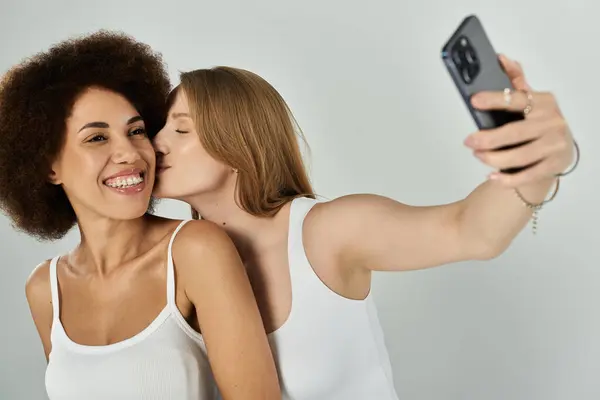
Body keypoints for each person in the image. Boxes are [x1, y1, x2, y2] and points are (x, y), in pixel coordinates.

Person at [152, 60, 577, 400]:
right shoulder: (177, 265)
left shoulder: (326, 232)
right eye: (160, 128)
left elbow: (470, 231)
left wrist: (536, 159)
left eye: (181, 129)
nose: (157, 143)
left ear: (238, 144)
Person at [0, 32, 280, 400]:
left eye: (136, 131)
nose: (130, 153)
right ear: (50, 167)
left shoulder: (195, 251)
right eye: (97, 138)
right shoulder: (44, 289)